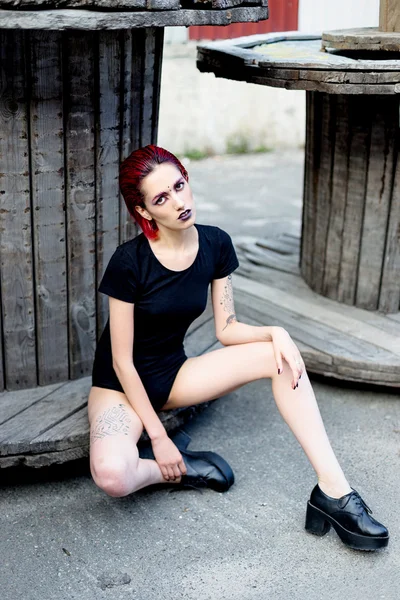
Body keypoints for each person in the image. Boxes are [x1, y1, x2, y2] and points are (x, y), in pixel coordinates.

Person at [89, 145, 389, 552]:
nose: (178, 202)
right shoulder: (129, 262)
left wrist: (275, 332)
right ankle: (178, 469)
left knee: (279, 358)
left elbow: (227, 328)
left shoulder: (215, 244)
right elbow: (122, 362)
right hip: (119, 389)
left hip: (174, 374)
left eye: (179, 186)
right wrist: (159, 438)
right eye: (161, 198)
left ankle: (335, 493)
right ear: (144, 212)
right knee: (113, 477)